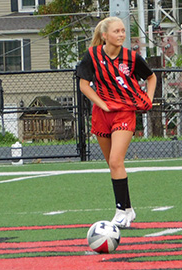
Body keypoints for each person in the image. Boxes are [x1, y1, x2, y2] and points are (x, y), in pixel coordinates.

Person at [76, 17, 157, 227]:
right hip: (102, 114)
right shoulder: (92, 55)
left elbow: (151, 77)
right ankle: (128, 209)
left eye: (123, 31)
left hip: (124, 112)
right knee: (113, 165)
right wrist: (101, 105)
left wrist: (148, 98)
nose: (121, 35)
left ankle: (120, 211)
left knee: (115, 161)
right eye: (117, 31)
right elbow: (84, 85)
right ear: (105, 36)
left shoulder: (131, 58)